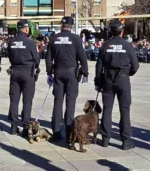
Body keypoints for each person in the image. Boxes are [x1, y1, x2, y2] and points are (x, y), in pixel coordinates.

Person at [95, 20, 139, 149]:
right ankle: (126, 141)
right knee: (124, 110)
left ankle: (105, 139)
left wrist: (98, 82)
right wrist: (127, 74)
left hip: (108, 79)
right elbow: (135, 65)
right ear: (122, 31)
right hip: (122, 79)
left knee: (107, 109)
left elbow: (99, 66)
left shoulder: (105, 45)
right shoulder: (127, 45)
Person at [45, 16, 88, 142]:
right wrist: (85, 73)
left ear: (61, 26)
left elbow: (48, 58)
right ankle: (69, 133)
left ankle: (56, 132)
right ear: (72, 26)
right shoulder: (76, 39)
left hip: (58, 72)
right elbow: (82, 57)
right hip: (71, 74)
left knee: (57, 102)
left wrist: (49, 73)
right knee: (70, 104)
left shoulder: (54, 38)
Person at [7, 19, 39, 136]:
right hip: (27, 73)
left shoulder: (11, 41)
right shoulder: (30, 42)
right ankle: (26, 126)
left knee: (14, 99)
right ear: (26, 29)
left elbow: (9, 56)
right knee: (27, 100)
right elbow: (37, 59)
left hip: (15, 71)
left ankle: (13, 126)